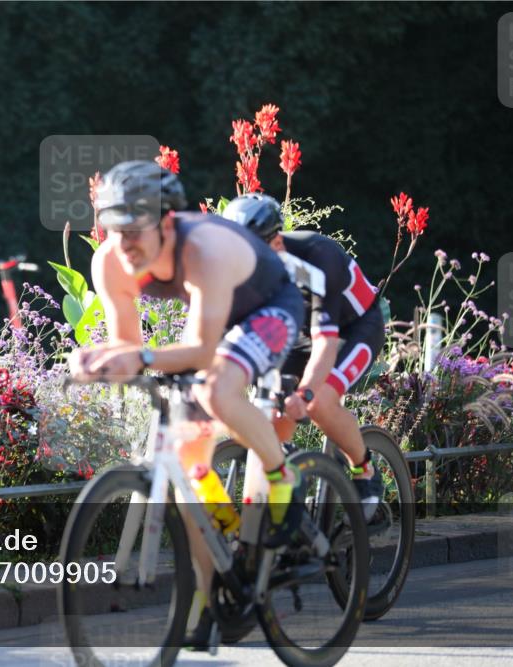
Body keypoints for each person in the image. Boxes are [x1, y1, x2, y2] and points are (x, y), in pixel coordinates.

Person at [67, 161, 306, 647]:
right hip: (216, 318)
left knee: (217, 390)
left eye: (136, 231)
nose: (125, 244)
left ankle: (283, 478)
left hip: (268, 307)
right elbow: (130, 345)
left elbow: (199, 348)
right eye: (115, 231)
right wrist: (96, 360)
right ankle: (209, 591)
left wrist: (140, 356)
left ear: (168, 222)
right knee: (188, 464)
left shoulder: (203, 249)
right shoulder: (109, 260)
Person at [222, 193, 385, 518]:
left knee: (318, 402)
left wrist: (305, 390)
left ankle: (364, 469)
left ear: (277, 242)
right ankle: (277, 514)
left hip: (355, 328)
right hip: (299, 333)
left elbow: (325, 342)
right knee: (270, 421)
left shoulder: (318, 256)